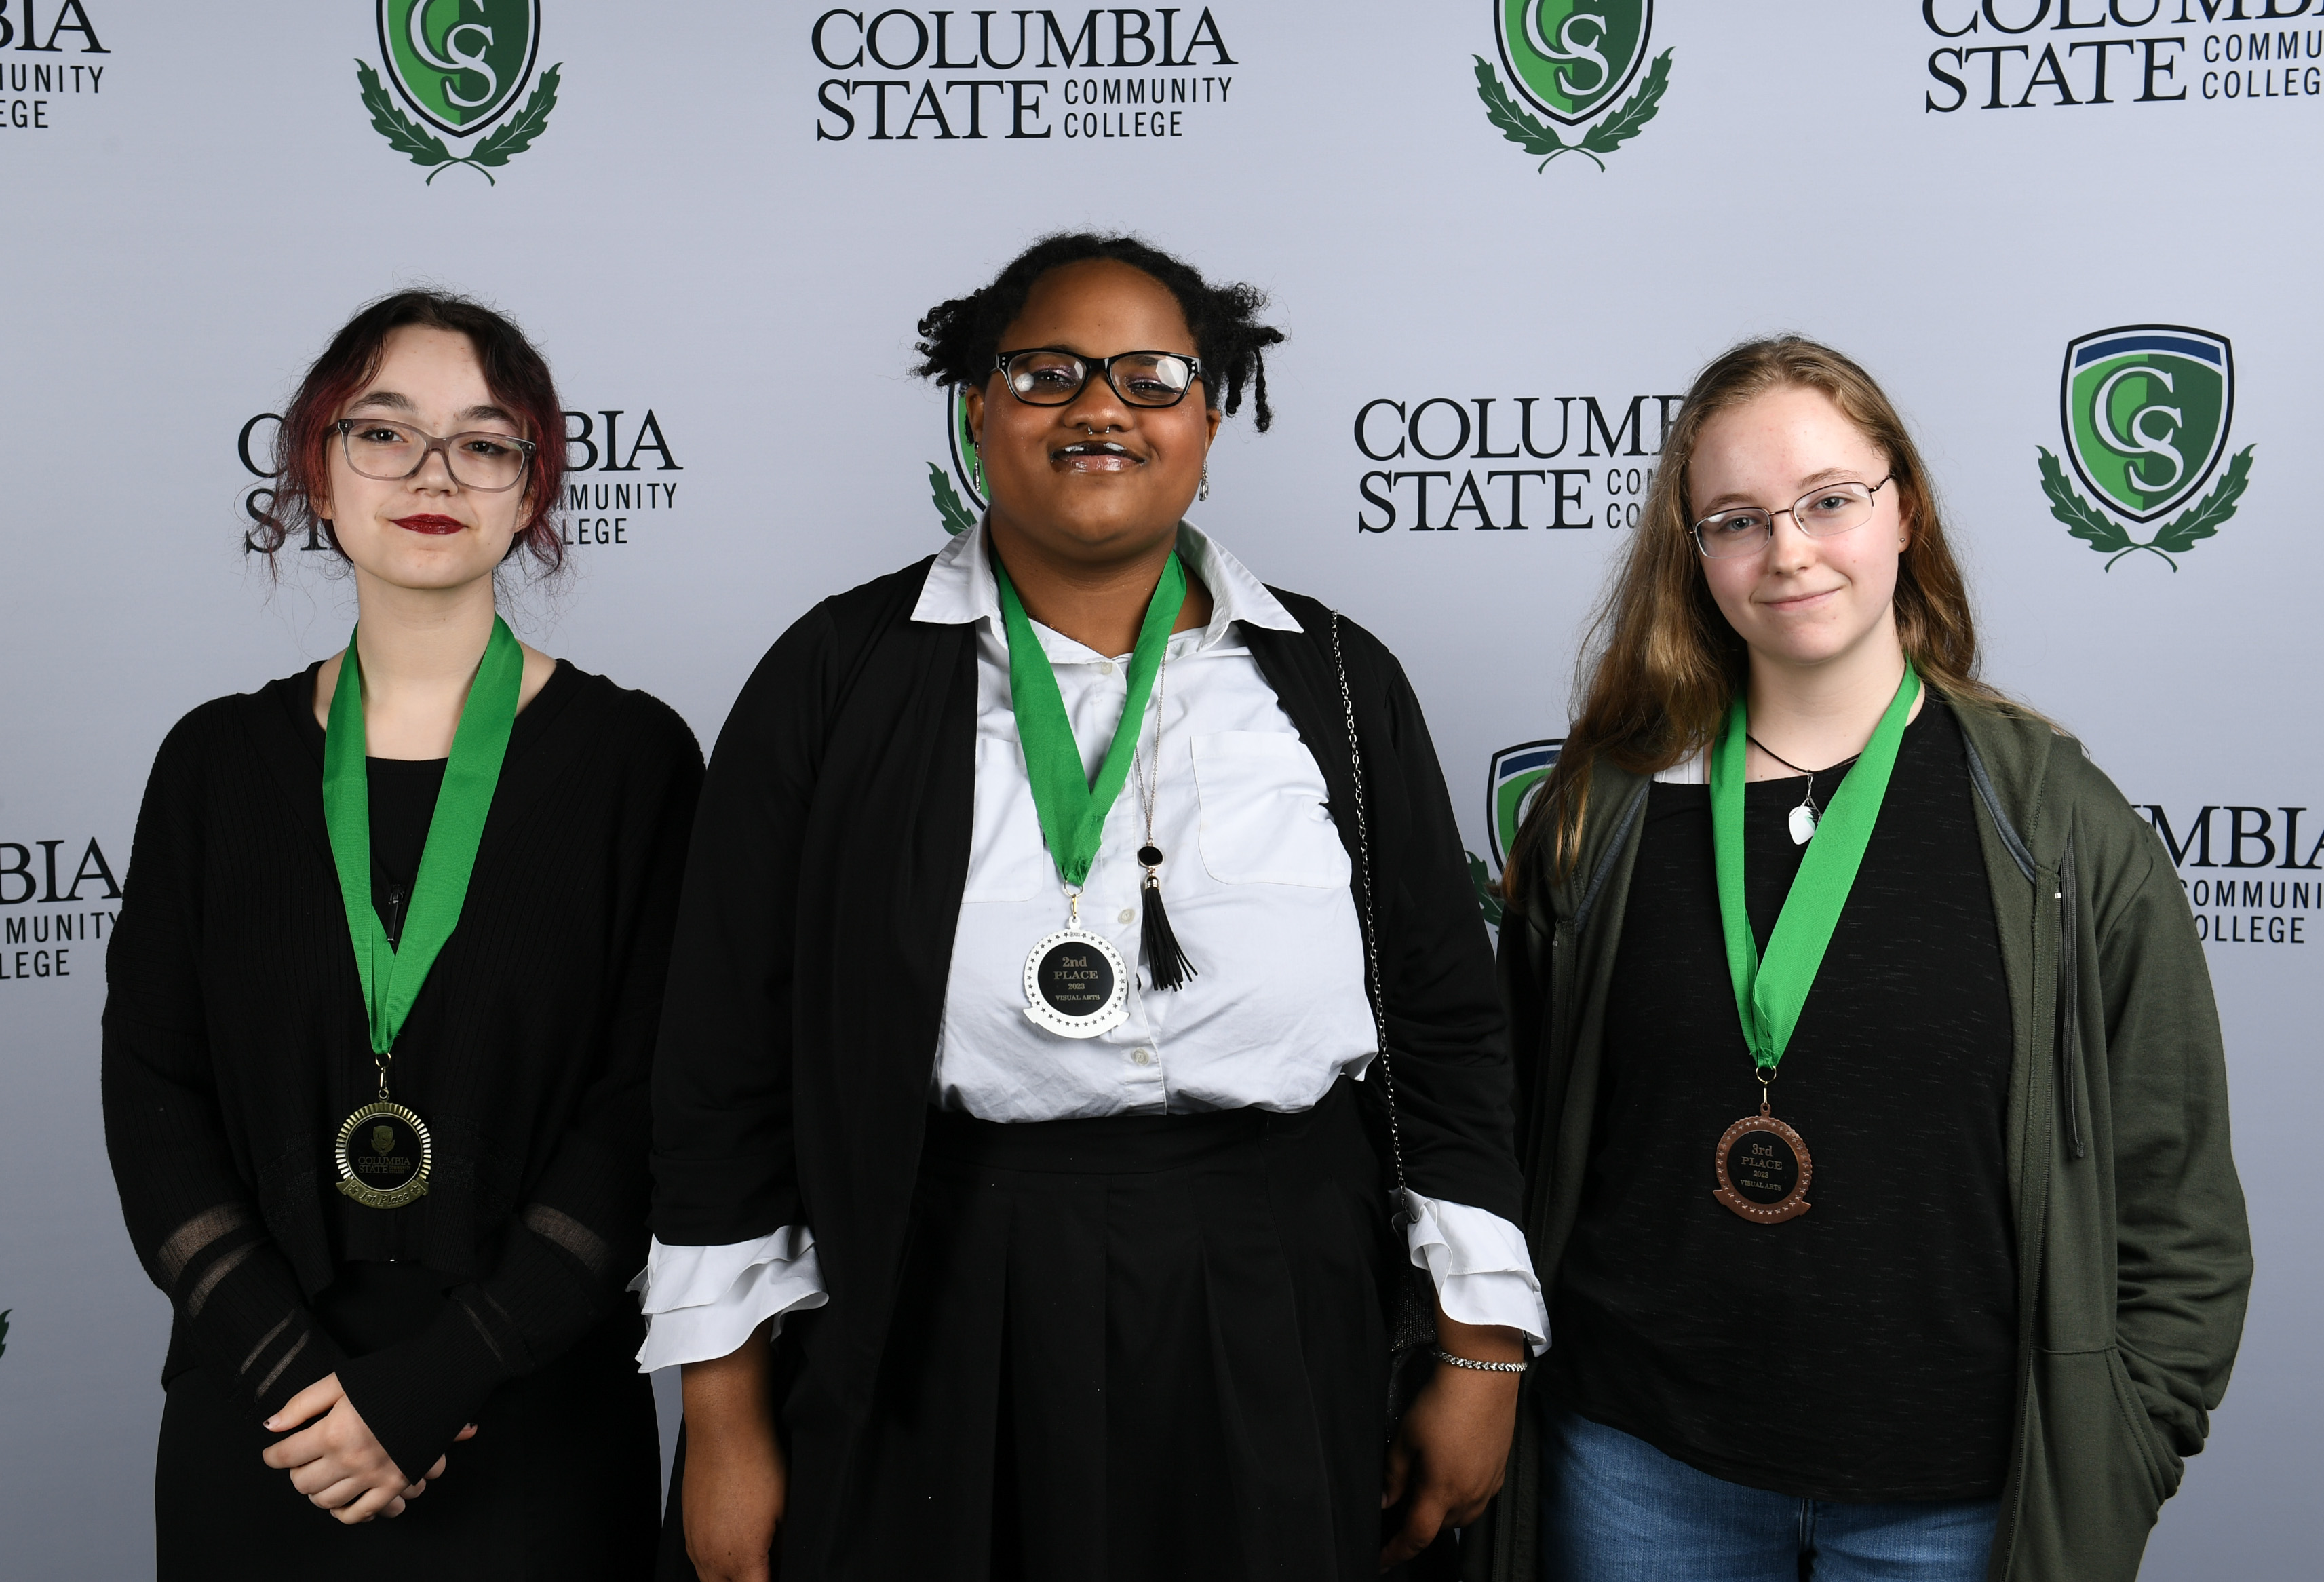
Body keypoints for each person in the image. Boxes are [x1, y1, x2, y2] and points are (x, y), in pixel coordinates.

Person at [638, 232, 1548, 1582]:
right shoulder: (835, 675)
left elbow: (1446, 1025)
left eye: (1152, 375)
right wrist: (720, 1414)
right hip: (947, 1287)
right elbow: (722, 1060)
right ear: (976, 409)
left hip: (1277, 1284)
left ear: (1211, 419)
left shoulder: (1339, 682)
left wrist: (1480, 1346)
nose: (1101, 405)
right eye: (1047, 372)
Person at [1486, 336, 2251, 1581]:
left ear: (1905, 510)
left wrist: (2120, 1443)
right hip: (1636, 1472)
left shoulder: (2055, 823)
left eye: (1828, 501)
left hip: (1955, 1498)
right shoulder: (1599, 814)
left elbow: (2176, 1199)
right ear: (1693, 554)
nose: (1786, 551)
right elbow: (1502, 1135)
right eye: (1735, 519)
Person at [102, 290, 703, 1579]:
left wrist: (440, 1383)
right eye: (384, 433)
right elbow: (154, 1093)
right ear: (317, 471)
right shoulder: (212, 765)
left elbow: (645, 1108)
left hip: (530, 1412)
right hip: (268, 1422)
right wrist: (293, 1381)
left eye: (485, 443)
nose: (434, 474)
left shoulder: (633, 762)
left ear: (531, 490)